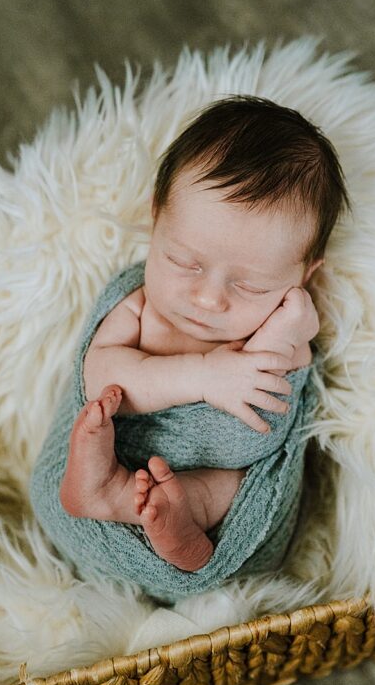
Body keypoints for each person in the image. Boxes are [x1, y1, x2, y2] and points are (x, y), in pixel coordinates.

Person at [58, 96, 347, 571]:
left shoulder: (273, 326)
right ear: (156, 219)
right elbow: (100, 382)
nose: (209, 299)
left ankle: (163, 517)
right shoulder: (138, 304)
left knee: (230, 483)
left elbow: (262, 426)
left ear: (305, 276)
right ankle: (106, 489)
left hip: (209, 495)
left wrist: (293, 324)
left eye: (251, 285)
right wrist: (203, 377)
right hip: (120, 456)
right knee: (95, 422)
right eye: (183, 262)